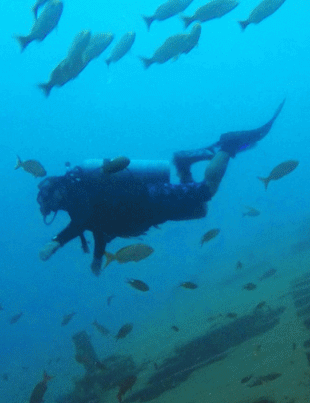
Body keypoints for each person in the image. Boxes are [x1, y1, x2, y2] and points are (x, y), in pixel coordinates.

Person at [36, 101, 284, 275]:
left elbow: (83, 222)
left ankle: (228, 145)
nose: (51, 208)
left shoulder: (76, 192)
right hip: (150, 213)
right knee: (200, 210)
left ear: (55, 193)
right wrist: (99, 257)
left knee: (206, 191)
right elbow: (96, 226)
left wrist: (57, 241)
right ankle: (184, 161)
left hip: (150, 199)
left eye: (48, 203)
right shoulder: (77, 206)